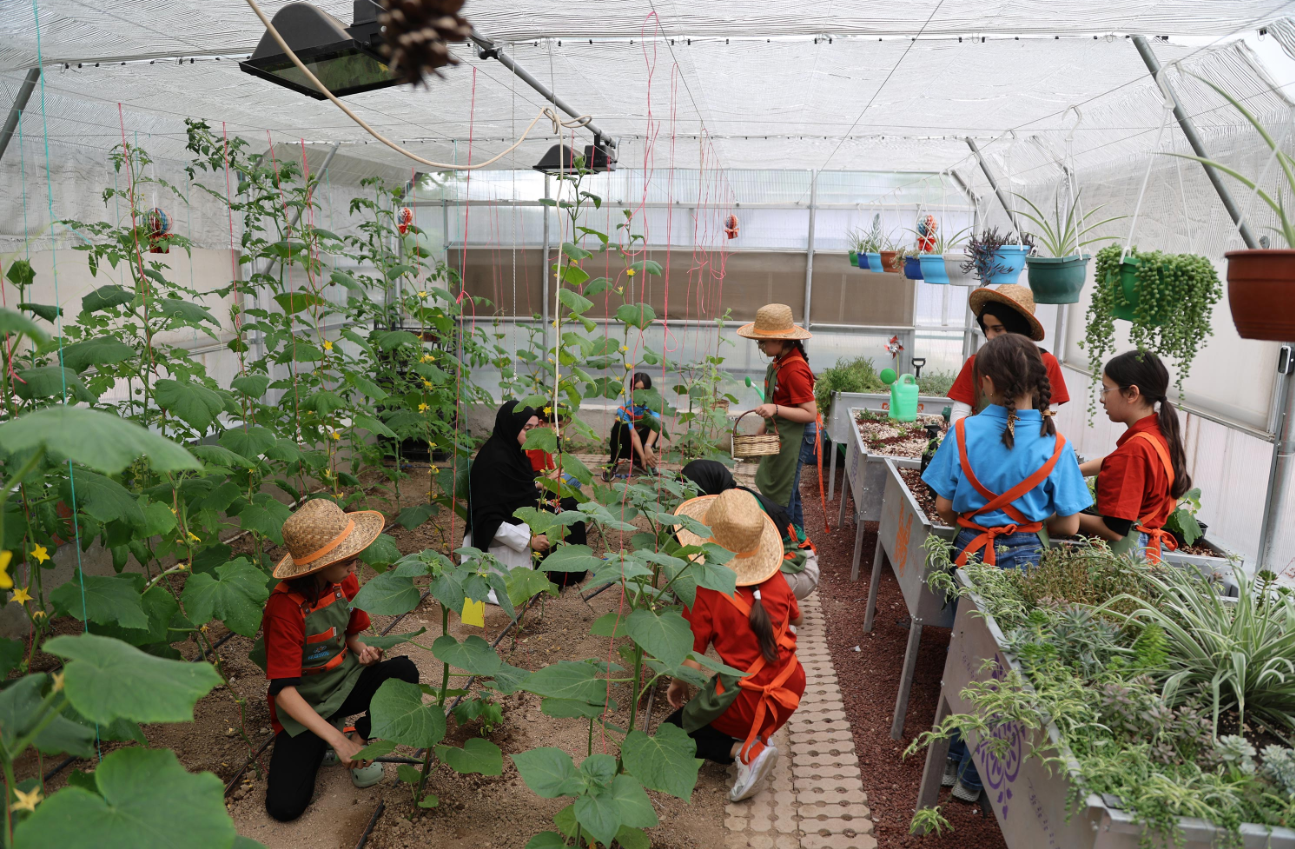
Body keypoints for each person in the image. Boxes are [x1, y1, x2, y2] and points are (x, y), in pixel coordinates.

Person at [920, 333, 1091, 804]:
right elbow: (1068, 526)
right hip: (1024, 563)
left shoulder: (962, 433)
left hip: (970, 555)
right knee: (1004, 671)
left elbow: (942, 508)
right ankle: (973, 782)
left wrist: (978, 518)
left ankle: (953, 761)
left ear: (988, 382)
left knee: (967, 657)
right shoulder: (1056, 445)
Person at [261, 498, 420, 822]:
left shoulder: (344, 581)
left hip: (343, 682)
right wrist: (334, 740)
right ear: (318, 565)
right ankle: (331, 735)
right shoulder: (284, 608)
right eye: (346, 557)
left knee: (404, 671)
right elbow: (284, 692)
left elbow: (349, 636)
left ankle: (359, 736)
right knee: (284, 807)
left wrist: (362, 650)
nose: (355, 562)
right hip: (305, 702)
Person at [665, 488, 806, 803]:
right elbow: (799, 619)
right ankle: (751, 734)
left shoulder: (706, 590)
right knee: (728, 702)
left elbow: (691, 661)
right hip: (790, 687)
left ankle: (747, 752)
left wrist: (677, 687)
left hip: (747, 698)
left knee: (672, 732)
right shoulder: (777, 580)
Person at [465, 400, 587, 602]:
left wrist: (542, 485)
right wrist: (529, 541)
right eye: (526, 428)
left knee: (569, 504)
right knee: (558, 523)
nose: (531, 434)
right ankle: (564, 571)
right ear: (510, 426)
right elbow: (487, 520)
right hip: (504, 538)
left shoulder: (513, 451)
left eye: (534, 428)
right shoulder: (494, 463)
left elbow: (518, 489)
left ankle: (574, 566)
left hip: (519, 514)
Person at [1077, 351, 1191, 562]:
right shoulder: (1157, 434)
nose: (1101, 399)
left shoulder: (1134, 450)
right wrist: (1075, 470)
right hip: (1148, 552)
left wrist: (1063, 518)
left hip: (1128, 557)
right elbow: (1114, 462)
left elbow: (1114, 530)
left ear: (1132, 394)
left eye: (1106, 389)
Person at [680, 459, 820, 599]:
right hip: (788, 564)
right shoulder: (728, 500)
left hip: (801, 570)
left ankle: (777, 609)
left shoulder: (739, 510)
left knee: (736, 585)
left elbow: (750, 558)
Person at [736, 304, 819, 532]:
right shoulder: (778, 363)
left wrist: (776, 410)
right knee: (787, 490)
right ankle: (799, 541)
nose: (760, 346)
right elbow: (777, 402)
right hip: (783, 432)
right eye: (759, 341)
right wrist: (763, 428)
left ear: (781, 340)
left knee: (782, 494)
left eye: (763, 341)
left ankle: (786, 543)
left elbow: (810, 413)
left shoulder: (794, 370)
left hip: (797, 437)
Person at [947, 284, 1070, 423]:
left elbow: (1052, 417)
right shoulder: (977, 361)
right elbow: (958, 415)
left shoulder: (1046, 362)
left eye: (997, 329)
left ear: (1017, 327)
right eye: (986, 328)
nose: (989, 336)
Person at [604, 372, 662, 480]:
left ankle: (638, 461)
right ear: (631, 390)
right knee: (619, 426)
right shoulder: (624, 409)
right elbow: (633, 435)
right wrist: (643, 456)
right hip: (625, 445)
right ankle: (613, 462)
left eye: (643, 389)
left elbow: (656, 426)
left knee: (653, 424)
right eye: (636, 389)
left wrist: (648, 446)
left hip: (642, 445)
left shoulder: (653, 406)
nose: (639, 393)